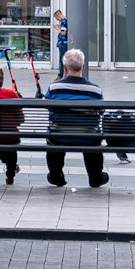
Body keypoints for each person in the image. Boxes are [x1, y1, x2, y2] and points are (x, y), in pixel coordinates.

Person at [45, 49, 108, 188]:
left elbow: (48, 107)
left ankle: (56, 176)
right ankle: (95, 176)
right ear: (83, 67)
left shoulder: (54, 88)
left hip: (59, 136)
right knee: (93, 137)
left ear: (65, 67)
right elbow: (101, 111)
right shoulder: (95, 90)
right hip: (88, 137)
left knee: (52, 137)